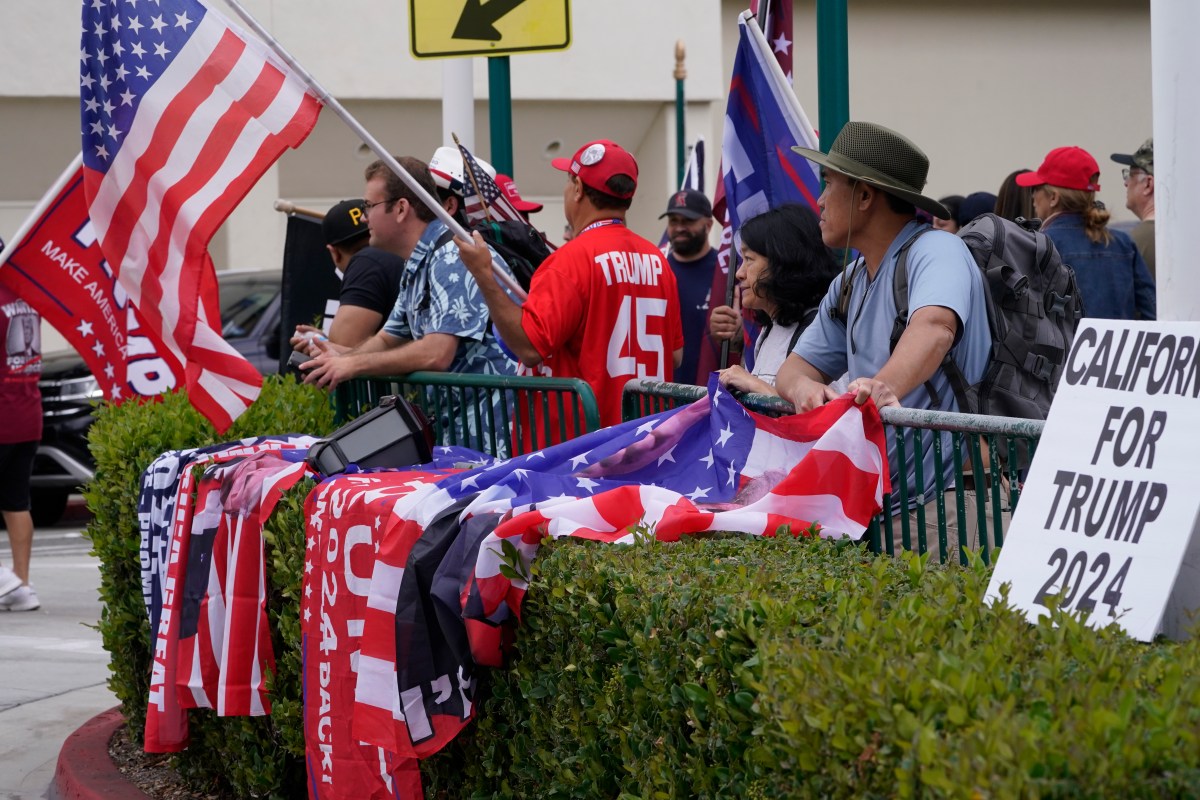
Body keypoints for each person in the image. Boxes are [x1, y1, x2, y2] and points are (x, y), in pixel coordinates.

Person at [777, 121, 992, 558]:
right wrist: (803, 389)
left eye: (828, 184)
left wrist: (883, 386)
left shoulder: (938, 250)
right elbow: (794, 368)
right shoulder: (852, 279)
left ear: (864, 195)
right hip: (884, 510)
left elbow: (935, 327)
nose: (818, 201)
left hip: (946, 509)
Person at [455, 138, 684, 436]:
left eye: (568, 181)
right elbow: (675, 355)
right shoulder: (658, 261)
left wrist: (483, 274)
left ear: (577, 188)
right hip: (644, 441)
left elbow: (528, 347)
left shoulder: (570, 261)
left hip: (579, 450)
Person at [300, 157, 518, 421]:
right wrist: (334, 354)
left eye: (369, 205)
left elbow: (437, 354)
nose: (365, 216)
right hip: (465, 427)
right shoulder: (419, 260)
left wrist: (351, 364)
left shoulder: (452, 256)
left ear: (402, 208)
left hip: (495, 431)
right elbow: (386, 339)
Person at [711, 204, 837, 395]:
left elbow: (828, 414)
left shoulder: (820, 330)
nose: (739, 273)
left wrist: (754, 384)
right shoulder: (770, 329)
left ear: (782, 262)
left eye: (749, 259)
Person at [1017, 146, 1156, 321]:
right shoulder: (1122, 243)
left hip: (1063, 349)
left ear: (1054, 198)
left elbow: (1022, 320)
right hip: (1115, 347)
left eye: (1035, 188)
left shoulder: (1037, 246)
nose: (1032, 197)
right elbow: (1152, 313)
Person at [290, 199, 404, 349]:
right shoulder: (407, 254)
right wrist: (326, 341)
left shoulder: (366, 263)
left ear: (334, 252)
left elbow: (341, 360)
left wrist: (327, 346)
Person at [0, 284, 43, 611]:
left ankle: (5, 579)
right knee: (16, 502)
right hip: (27, 415)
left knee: (15, 500)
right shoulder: (26, 297)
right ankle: (22, 586)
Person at [660, 188, 718, 386]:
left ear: (708, 225)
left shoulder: (727, 272)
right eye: (673, 221)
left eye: (688, 221)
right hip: (665, 393)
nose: (679, 228)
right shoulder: (658, 271)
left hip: (710, 395)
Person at [1111, 137, 1156, 279]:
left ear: (1148, 184)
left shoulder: (1131, 244)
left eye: (1130, 175)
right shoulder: (1188, 235)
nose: (1126, 183)